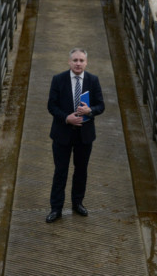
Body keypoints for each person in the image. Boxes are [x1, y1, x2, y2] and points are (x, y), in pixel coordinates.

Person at [46, 48, 105, 223]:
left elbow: (101, 105)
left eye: (81, 60)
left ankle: (77, 203)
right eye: (75, 60)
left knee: (81, 171)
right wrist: (66, 118)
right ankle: (56, 208)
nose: (78, 63)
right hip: (62, 134)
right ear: (69, 62)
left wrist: (90, 110)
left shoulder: (93, 80)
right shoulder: (58, 79)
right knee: (60, 171)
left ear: (86, 62)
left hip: (84, 136)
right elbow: (51, 106)